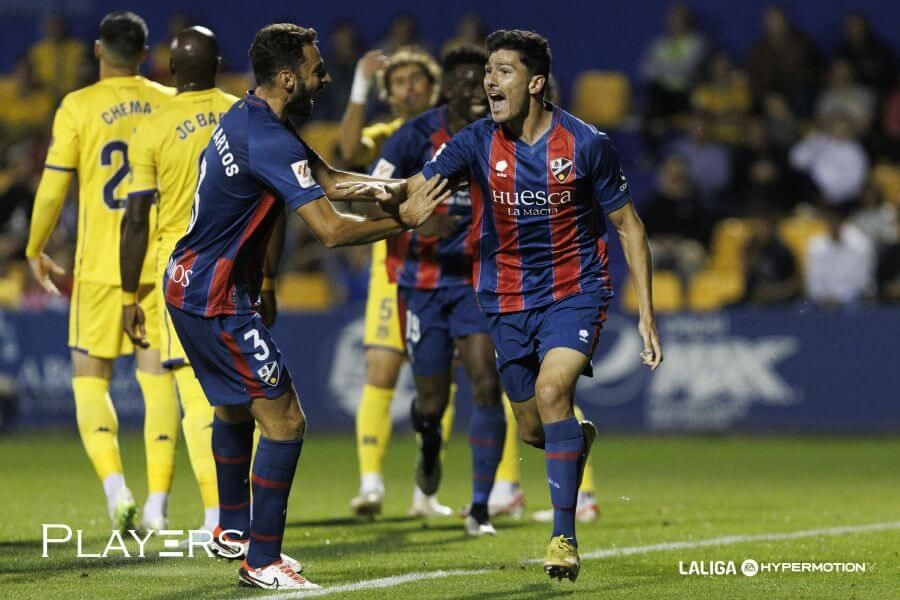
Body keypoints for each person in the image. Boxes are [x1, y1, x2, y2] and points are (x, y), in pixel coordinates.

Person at [162, 23, 447, 590]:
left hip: (189, 283)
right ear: (289, 77)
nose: (326, 75)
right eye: (318, 68)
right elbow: (333, 231)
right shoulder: (268, 138)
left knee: (236, 409)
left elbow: (333, 179)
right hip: (215, 298)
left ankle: (233, 530)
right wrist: (404, 219)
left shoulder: (252, 118)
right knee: (286, 422)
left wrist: (402, 185)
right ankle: (262, 562)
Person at [402, 30, 662, 581]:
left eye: (501, 71)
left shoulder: (587, 144)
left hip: (574, 291)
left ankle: (564, 537)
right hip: (505, 298)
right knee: (532, 428)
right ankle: (574, 438)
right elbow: (415, 189)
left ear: (536, 82)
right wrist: (339, 191)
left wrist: (645, 315)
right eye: (488, 71)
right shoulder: (476, 141)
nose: (488, 82)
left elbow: (629, 228)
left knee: (551, 392)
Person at [26, 11, 176, 532]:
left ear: (97, 50)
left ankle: (118, 492)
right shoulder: (167, 101)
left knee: (90, 382)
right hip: (157, 263)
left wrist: (34, 248)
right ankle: (158, 504)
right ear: (145, 51)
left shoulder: (78, 106)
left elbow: (51, 188)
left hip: (98, 267)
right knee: (157, 382)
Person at [119, 27, 238, 536]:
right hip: (239, 260)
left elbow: (137, 218)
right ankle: (233, 511)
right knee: (236, 391)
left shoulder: (153, 126)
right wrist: (271, 276)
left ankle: (218, 517)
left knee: (193, 392)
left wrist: (129, 294)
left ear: (168, 68)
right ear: (217, 63)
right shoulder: (241, 112)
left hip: (182, 266)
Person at [340, 46, 456, 518]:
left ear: (434, 88)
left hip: (447, 271)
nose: (410, 88)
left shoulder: (457, 137)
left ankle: (425, 494)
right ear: (389, 93)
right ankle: (370, 484)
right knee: (381, 372)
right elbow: (348, 152)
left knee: (438, 383)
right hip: (392, 273)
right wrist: (359, 85)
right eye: (400, 81)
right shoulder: (387, 134)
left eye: (418, 80)